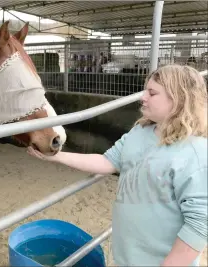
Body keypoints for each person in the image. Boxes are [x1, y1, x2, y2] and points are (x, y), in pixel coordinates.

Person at [27, 64, 207, 266]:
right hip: (127, 256)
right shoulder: (140, 132)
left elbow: (199, 224)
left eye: (152, 93)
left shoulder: (196, 153)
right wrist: (58, 157)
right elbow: (108, 161)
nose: (142, 97)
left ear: (178, 98)